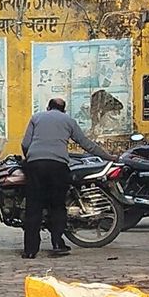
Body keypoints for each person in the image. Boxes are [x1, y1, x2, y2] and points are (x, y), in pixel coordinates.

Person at [20, 97, 114, 260]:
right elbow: (85, 143)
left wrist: (31, 157)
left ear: (48, 107)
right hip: (58, 166)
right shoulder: (69, 121)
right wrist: (108, 157)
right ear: (63, 110)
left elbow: (25, 143)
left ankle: (30, 250)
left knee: (33, 207)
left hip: (36, 164)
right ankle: (57, 243)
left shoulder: (36, 117)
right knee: (57, 205)